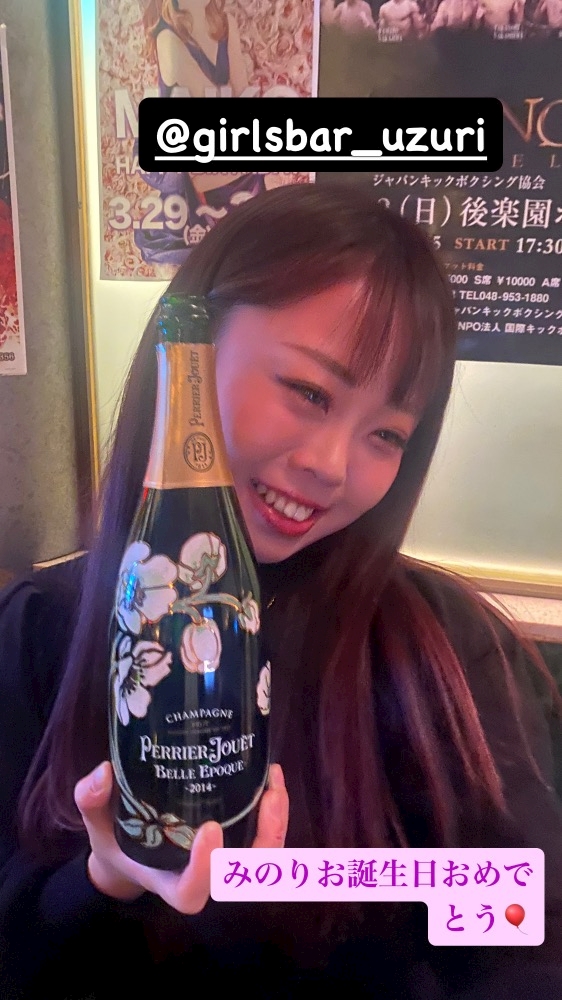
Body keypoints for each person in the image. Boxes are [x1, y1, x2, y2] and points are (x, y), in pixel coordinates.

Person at [1, 183, 562, 999]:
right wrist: (100, 881)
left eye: (386, 434)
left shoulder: (449, 649)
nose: (331, 466)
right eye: (309, 391)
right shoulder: (35, 632)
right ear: (187, 359)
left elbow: (525, 929)